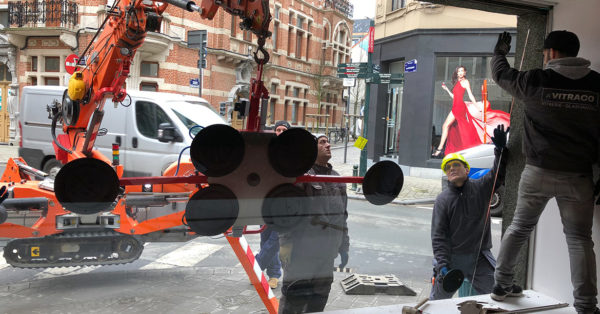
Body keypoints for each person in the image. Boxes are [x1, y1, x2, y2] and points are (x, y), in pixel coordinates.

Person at [490, 30, 600, 314]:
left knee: (519, 228)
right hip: (579, 176)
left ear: (550, 53)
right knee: (579, 240)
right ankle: (587, 306)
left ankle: (502, 285)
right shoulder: (597, 85)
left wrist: (500, 53)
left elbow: (502, 75)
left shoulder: (535, 80)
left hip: (537, 172)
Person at [430, 125, 509, 300]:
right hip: (451, 259)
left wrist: (500, 150)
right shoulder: (442, 200)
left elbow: (498, 174)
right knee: (436, 304)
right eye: (448, 167)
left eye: (456, 165)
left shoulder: (481, 187)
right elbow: (438, 236)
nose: (452, 168)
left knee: (497, 295)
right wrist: (443, 266)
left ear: (466, 170)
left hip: (478, 258)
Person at [278, 134, 350, 314]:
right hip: (302, 254)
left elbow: (343, 216)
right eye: (322, 142)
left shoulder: (337, 179)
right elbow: (286, 213)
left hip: (326, 255)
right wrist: (285, 244)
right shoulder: (301, 177)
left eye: (328, 141)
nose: (328, 145)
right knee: (293, 300)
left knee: (319, 300)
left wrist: (344, 247)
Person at [255, 120, 291, 289]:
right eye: (278, 129)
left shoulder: (294, 153)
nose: (281, 132)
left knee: (275, 239)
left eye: (284, 130)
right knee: (265, 237)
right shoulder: (266, 152)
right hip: (266, 202)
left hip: (285, 204)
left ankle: (256, 266)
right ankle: (274, 274)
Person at [432, 66, 482, 157]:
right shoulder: (457, 83)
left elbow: (470, 95)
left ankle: (439, 149)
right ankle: (466, 148)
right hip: (456, 106)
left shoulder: (465, 82)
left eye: (462, 71)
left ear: (465, 73)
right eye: (459, 71)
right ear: (457, 73)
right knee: (457, 129)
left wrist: (477, 106)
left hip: (459, 107)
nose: (460, 73)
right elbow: (455, 97)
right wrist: (447, 89)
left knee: (445, 126)